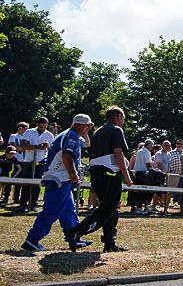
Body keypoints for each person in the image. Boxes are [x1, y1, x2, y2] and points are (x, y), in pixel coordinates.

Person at [21, 114, 95, 251]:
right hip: (59, 180)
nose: (89, 128)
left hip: (58, 179)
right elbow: (67, 156)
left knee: (68, 211)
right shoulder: (71, 136)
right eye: (88, 125)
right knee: (52, 210)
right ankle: (32, 239)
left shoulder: (68, 134)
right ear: (79, 124)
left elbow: (83, 146)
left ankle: (74, 237)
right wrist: (74, 176)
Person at [66, 106, 133, 253]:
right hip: (109, 174)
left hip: (96, 174)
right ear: (118, 117)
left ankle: (109, 242)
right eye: (123, 118)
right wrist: (126, 176)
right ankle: (78, 231)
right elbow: (118, 153)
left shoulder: (97, 132)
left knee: (112, 209)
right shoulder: (116, 130)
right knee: (108, 209)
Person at [19, 117, 55, 212]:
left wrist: (47, 147)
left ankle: (33, 204)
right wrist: (37, 147)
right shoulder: (29, 132)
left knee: (37, 184)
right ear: (37, 125)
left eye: (44, 127)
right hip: (28, 161)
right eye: (41, 127)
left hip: (41, 161)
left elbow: (52, 149)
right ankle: (22, 204)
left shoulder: (49, 135)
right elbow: (24, 146)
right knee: (26, 183)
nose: (42, 129)